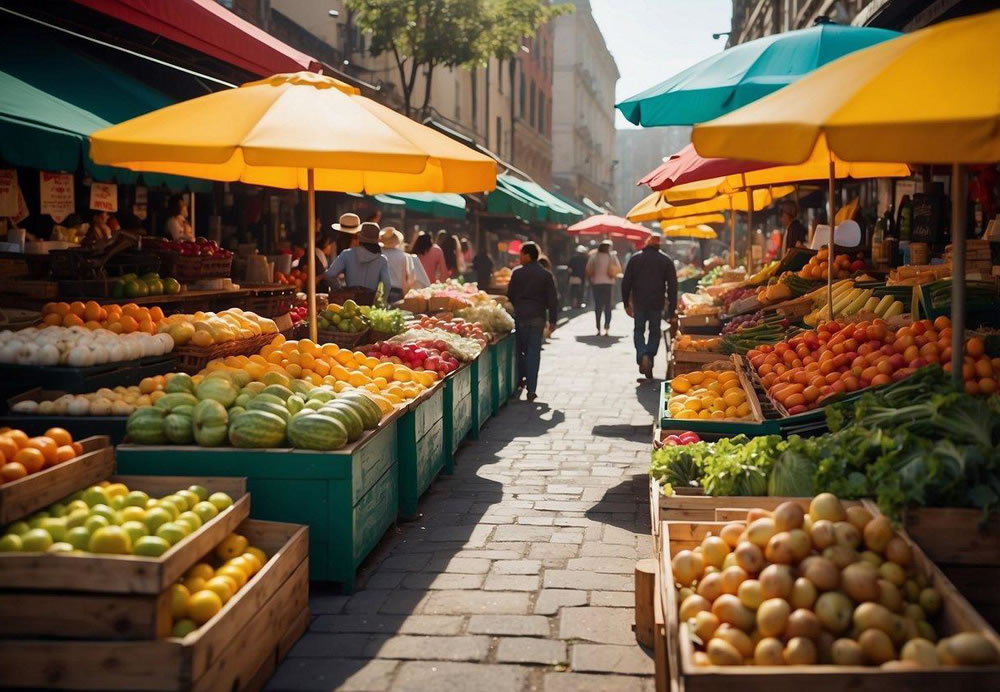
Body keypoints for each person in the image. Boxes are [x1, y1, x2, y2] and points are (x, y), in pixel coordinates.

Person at [621, 234, 678, 379]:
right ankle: (649, 355)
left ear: (646, 243)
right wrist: (672, 309)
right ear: (659, 245)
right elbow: (673, 286)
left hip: (639, 302)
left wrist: (626, 303)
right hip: (656, 302)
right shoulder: (665, 260)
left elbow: (625, 282)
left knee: (639, 330)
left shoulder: (635, 258)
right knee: (654, 331)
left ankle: (642, 356)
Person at [506, 241, 558, 402]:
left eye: (521, 254)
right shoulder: (546, 274)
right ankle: (532, 388)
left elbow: (511, 295)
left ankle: (521, 381)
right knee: (533, 352)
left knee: (521, 351)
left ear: (528, 255)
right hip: (538, 317)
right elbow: (552, 300)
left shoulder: (517, 273)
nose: (519, 257)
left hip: (521, 316)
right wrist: (553, 320)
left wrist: (519, 306)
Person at [325, 222, 392, 294]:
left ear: (360, 238)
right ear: (377, 240)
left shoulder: (347, 254)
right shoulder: (382, 260)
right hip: (370, 302)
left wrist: (340, 290)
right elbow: (387, 284)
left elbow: (330, 274)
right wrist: (380, 300)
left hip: (349, 301)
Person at [586, 240, 621, 336]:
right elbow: (618, 268)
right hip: (608, 283)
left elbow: (588, 269)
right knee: (608, 306)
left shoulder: (594, 256)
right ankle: (607, 326)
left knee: (598, 306)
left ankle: (598, 328)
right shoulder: (612, 257)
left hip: (596, 283)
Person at [379, 227, 411, 302]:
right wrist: (406, 296)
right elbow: (404, 280)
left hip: (382, 291)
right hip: (397, 291)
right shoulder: (403, 256)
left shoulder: (379, 254)